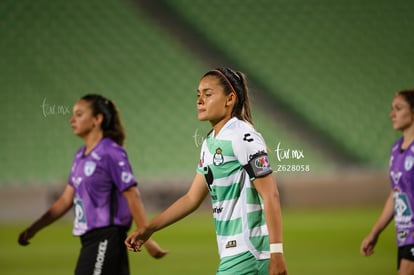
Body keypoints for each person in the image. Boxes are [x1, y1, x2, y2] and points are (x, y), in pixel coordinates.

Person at [125, 67, 288, 275]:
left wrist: (277, 253)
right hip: (233, 252)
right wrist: (149, 229)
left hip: (248, 251)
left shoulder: (242, 135)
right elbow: (191, 199)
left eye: (208, 94)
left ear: (230, 99)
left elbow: (270, 194)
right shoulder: (210, 142)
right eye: (198, 95)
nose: (200, 100)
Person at [18, 94, 167, 275]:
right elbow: (66, 200)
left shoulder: (111, 152)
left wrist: (146, 237)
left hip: (106, 237)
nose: (72, 119)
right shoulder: (80, 156)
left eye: (79, 114)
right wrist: (35, 228)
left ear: (97, 119)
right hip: (89, 240)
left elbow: (132, 194)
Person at [361, 89, 414, 274]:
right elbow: (397, 192)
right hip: (404, 236)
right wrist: (374, 233)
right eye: (392, 108)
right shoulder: (396, 149)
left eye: (398, 108)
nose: (392, 114)